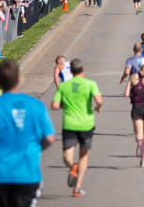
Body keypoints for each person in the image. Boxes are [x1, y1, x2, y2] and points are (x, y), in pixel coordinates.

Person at [0, 60, 55, 207]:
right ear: (19, 80)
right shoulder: (35, 105)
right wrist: (35, 148)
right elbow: (49, 137)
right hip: (27, 171)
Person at [51, 59, 103, 198]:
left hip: (69, 124)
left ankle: (72, 167)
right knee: (83, 156)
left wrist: (66, 106)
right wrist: (98, 107)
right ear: (83, 70)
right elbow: (99, 101)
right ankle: (77, 187)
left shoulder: (64, 86)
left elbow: (54, 105)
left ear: (71, 71)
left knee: (67, 157)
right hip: (86, 124)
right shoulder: (90, 84)